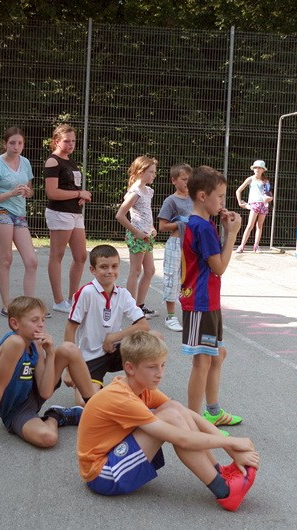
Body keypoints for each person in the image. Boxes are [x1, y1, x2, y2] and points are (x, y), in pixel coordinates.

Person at [77, 331, 260, 511]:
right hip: (102, 474)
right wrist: (233, 441)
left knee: (174, 408)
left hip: (115, 454)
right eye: (152, 367)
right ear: (130, 368)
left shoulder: (139, 386)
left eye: (163, 365)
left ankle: (219, 472)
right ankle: (225, 491)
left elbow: (186, 413)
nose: (160, 373)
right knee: (171, 418)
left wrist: (232, 450)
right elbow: (182, 439)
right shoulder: (122, 398)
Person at [0, 296, 95, 448]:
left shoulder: (35, 342)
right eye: (34, 320)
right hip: (16, 410)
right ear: (15, 323)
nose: (41, 325)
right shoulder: (14, 343)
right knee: (48, 438)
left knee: (69, 348)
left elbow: (45, 392)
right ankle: (55, 416)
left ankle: (96, 410)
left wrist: (50, 354)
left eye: (43, 320)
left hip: (31, 393)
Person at [181, 166, 243, 429]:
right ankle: (194, 421)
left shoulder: (202, 224)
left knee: (217, 355)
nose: (222, 202)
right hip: (200, 302)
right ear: (202, 196)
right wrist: (232, 235)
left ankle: (213, 412)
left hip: (208, 301)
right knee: (203, 360)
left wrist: (225, 230)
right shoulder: (202, 227)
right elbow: (219, 267)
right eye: (219, 196)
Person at [62, 245, 150, 404]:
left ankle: (131, 385)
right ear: (93, 270)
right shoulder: (86, 292)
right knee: (84, 402)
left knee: (154, 339)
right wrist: (70, 369)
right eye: (104, 267)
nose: (110, 271)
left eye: (114, 266)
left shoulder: (123, 293)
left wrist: (113, 338)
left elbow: (143, 325)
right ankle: (110, 390)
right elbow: (70, 328)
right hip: (91, 356)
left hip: (115, 350)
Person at [0, 127, 40, 317]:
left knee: (31, 261)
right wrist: (11, 193)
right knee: (6, 260)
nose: (16, 147)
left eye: (20, 143)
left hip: (19, 215)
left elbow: (30, 190)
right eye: (12, 143)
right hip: (2, 213)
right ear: (5, 144)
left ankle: (29, 306)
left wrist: (27, 192)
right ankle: (6, 305)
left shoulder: (25, 162)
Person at [43, 124, 91, 314]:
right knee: (57, 255)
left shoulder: (70, 161)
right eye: (66, 141)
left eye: (73, 141)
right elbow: (52, 193)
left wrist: (82, 195)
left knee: (81, 256)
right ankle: (59, 301)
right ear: (56, 141)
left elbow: (72, 188)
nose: (71, 144)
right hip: (59, 213)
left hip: (75, 213)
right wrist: (79, 193)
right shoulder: (53, 162)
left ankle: (73, 298)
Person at [115, 155, 159, 319]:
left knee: (150, 270)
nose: (154, 175)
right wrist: (136, 232)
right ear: (141, 172)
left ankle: (139, 305)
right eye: (151, 172)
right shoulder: (135, 192)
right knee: (136, 270)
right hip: (137, 236)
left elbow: (146, 213)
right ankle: (130, 307)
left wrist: (151, 227)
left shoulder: (148, 191)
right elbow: (120, 215)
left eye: (154, 172)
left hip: (147, 236)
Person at [157, 163, 193, 332]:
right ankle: (171, 316)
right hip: (176, 244)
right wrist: (180, 223)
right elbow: (162, 226)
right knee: (172, 278)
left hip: (192, 244)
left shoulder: (195, 198)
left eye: (189, 179)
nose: (187, 182)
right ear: (174, 180)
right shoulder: (171, 201)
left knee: (191, 278)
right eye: (184, 179)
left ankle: (190, 311)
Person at [234, 160, 273, 253]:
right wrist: (240, 202)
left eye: (259, 168)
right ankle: (241, 246)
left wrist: (269, 198)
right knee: (250, 225)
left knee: (259, 225)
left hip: (263, 204)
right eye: (255, 167)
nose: (257, 169)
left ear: (263, 170)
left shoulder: (265, 181)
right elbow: (238, 191)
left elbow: (269, 195)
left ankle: (256, 246)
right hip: (254, 204)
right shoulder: (250, 179)